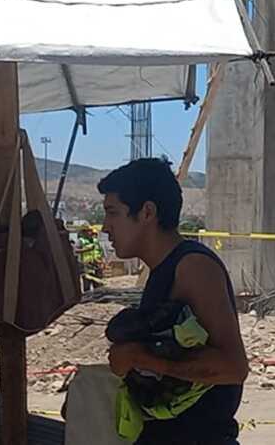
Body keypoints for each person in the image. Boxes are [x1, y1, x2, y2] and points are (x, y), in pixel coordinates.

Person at [99, 158, 248, 445]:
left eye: (112, 213)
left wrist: (141, 358)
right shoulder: (162, 271)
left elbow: (234, 368)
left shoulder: (192, 267)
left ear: (147, 212)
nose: (105, 227)